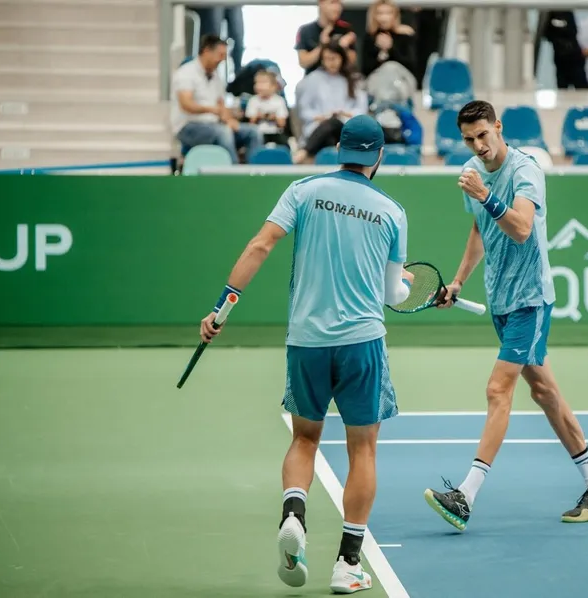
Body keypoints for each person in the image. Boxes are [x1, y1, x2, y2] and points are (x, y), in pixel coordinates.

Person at [197, 114, 413, 593]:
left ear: (338, 150)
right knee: (363, 448)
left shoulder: (303, 190)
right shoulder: (392, 212)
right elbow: (392, 295)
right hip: (361, 344)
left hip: (307, 342)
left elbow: (261, 245)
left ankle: (294, 514)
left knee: (304, 439)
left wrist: (221, 309)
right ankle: (348, 565)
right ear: (379, 156)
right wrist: (403, 283)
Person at [422, 100, 588, 531]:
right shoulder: (472, 172)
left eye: (483, 135)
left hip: (530, 299)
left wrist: (485, 194)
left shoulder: (525, 170)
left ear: (498, 127)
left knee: (498, 390)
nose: (478, 146)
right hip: (501, 301)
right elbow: (480, 228)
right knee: (545, 393)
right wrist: (458, 282)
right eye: (469, 140)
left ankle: (465, 495)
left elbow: (521, 228)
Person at [171, 34, 263, 163]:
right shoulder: (186, 73)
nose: (222, 60)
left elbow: (221, 103)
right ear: (207, 51)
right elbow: (186, 104)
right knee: (223, 132)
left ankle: (255, 171)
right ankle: (233, 171)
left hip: (214, 125)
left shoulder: (216, 76)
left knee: (252, 132)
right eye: (220, 55)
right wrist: (212, 110)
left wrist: (229, 120)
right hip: (188, 127)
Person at [294, 43, 369, 164]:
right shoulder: (312, 79)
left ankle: (305, 151)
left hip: (346, 127)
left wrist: (345, 113)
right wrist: (319, 117)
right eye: (327, 59)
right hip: (319, 126)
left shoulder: (354, 79)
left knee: (334, 122)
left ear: (341, 58)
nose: (331, 63)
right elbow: (304, 110)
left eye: (334, 58)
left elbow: (361, 110)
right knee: (329, 133)